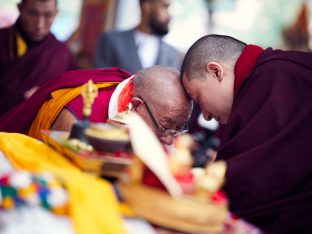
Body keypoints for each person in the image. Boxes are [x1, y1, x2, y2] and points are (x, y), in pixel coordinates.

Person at [180, 34, 312, 233]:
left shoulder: (274, 78)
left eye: (198, 99)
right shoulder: (264, 79)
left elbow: (257, 180)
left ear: (216, 72)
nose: (205, 116)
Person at [0, 66, 192, 146]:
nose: (169, 141)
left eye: (178, 129)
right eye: (166, 126)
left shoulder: (155, 112)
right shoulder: (76, 117)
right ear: (136, 106)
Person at [0, 0, 76, 117]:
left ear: (56, 13)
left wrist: (45, 95)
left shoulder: (62, 53)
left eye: (48, 15)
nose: (39, 25)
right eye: (32, 13)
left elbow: (69, 99)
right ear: (20, 8)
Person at [94, 0, 181, 74]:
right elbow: (100, 83)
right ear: (147, 7)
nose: (169, 15)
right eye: (165, 7)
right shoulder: (111, 41)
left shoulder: (172, 53)